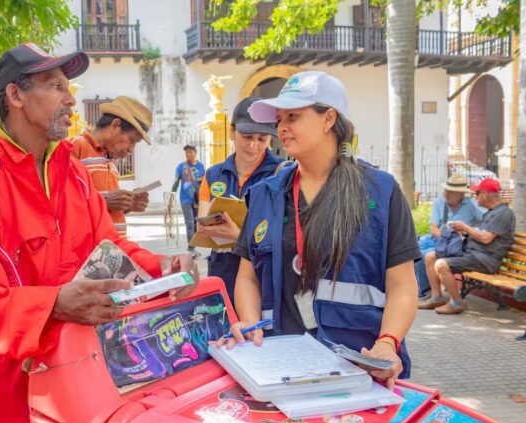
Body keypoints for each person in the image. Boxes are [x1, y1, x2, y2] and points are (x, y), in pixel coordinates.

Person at [0, 43, 199, 423]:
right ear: (16, 96)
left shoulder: (74, 175)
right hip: (13, 410)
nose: (71, 98)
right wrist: (55, 304)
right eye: (57, 86)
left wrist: (161, 266)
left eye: (68, 86)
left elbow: (110, 246)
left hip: (89, 396)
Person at [217, 71, 421, 389]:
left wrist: (388, 342)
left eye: (294, 116)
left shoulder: (380, 192)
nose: (281, 127)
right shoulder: (265, 194)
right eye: (279, 118)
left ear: (328, 119)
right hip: (281, 367)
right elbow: (247, 276)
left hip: (360, 369)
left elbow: (403, 287)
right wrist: (248, 321)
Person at [195, 96, 283, 303]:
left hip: (262, 280)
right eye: (247, 136)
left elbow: (285, 236)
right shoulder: (213, 174)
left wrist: (238, 238)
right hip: (222, 273)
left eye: (262, 139)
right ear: (231, 132)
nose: (253, 145)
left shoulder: (282, 173)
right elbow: (203, 225)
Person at [420, 177, 516, 314]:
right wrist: (462, 233)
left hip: (484, 259)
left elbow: (486, 238)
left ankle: (457, 303)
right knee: (430, 257)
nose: (474, 197)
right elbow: (481, 233)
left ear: (484, 194)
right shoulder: (492, 213)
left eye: (477, 193)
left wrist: (465, 227)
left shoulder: (504, 213)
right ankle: (437, 297)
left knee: (441, 264)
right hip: (472, 254)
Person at [71, 97, 152, 238]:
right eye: (132, 141)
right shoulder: (77, 147)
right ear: (115, 125)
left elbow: (106, 211)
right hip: (91, 251)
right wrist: (105, 201)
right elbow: (64, 202)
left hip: (113, 247)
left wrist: (128, 205)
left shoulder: (110, 162)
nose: (131, 150)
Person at [415, 173, 483, 299]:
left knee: (427, 256)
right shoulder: (439, 202)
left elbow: (487, 221)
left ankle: (427, 290)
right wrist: (443, 240)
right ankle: (424, 288)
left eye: (451, 192)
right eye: (446, 190)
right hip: (438, 239)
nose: (446, 194)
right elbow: (433, 227)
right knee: (412, 251)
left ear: (461, 194)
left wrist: (469, 231)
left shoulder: (472, 205)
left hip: (455, 245)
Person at [172, 145, 205, 254]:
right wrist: (172, 195)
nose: (188, 154)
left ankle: (193, 247)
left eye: (190, 152)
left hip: (197, 198)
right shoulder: (181, 166)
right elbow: (176, 182)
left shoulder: (201, 166)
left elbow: (204, 182)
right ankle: (190, 249)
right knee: (190, 223)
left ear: (195, 152)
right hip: (185, 199)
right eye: (186, 153)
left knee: (196, 224)